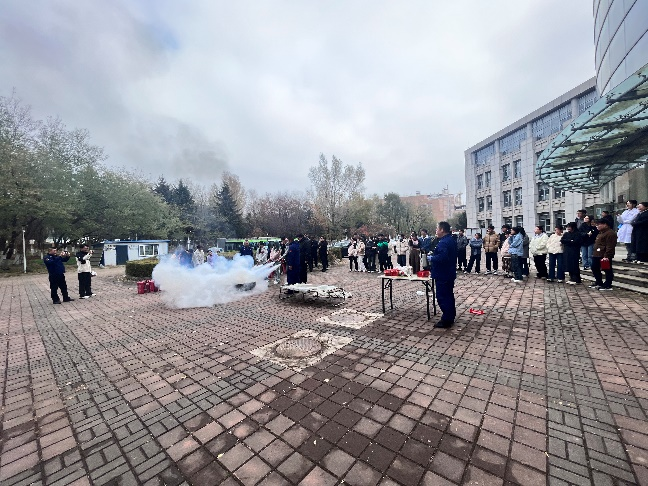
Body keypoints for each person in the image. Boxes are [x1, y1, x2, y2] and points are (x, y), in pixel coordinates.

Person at [427, 221, 458, 329]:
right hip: (449, 272)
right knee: (449, 295)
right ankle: (450, 316)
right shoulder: (450, 240)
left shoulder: (444, 242)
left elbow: (443, 258)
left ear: (442, 230)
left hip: (443, 274)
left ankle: (446, 320)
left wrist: (432, 258)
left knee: (443, 296)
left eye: (437, 229)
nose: (436, 231)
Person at [590, 219, 617, 290]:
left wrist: (607, 256)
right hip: (597, 254)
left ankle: (608, 284)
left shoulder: (610, 233)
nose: (597, 226)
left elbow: (610, 246)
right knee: (594, 268)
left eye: (599, 224)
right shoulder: (600, 233)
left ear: (605, 224)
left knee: (607, 269)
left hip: (604, 255)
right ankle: (599, 282)